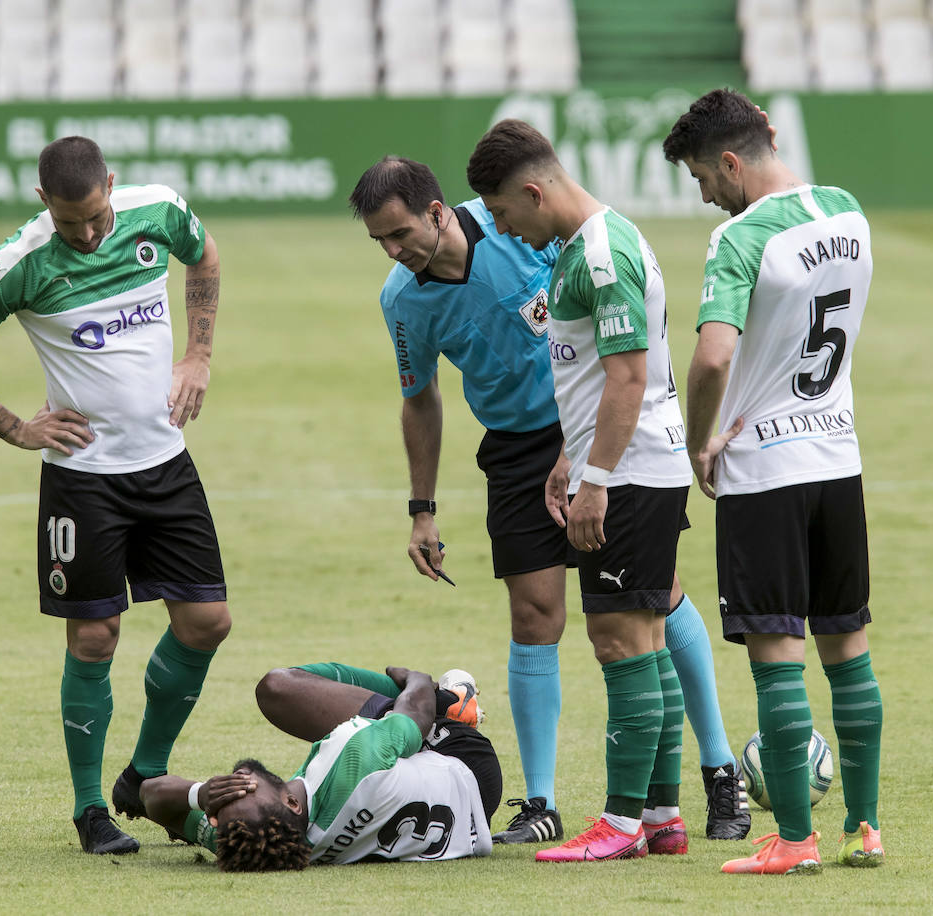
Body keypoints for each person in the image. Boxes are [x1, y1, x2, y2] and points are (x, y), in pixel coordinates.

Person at [348, 156, 750, 844]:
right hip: (512, 449)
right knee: (535, 614)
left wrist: (579, 447)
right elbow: (420, 400)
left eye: (400, 232)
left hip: (595, 426)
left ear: (438, 211)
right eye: (380, 241)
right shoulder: (402, 300)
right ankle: (541, 803)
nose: (393, 250)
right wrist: (423, 507)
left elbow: (607, 331)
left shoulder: (518, 230)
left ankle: (718, 768)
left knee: (657, 598)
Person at [0, 136, 231, 855]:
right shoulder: (19, 264)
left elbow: (206, 256)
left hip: (165, 464)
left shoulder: (157, 212)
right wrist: (16, 429)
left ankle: (143, 774)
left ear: (112, 187)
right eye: (70, 223)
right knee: (95, 635)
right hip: (84, 481)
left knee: (207, 623)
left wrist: (200, 354)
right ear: (43, 205)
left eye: (95, 218)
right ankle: (92, 808)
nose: (87, 234)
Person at [663, 88, 885, 875]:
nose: (703, 195)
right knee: (849, 648)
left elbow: (715, 355)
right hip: (839, 456)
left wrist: (699, 444)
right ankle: (865, 826)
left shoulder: (738, 238)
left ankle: (794, 839)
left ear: (730, 161)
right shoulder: (847, 210)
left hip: (766, 470)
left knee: (777, 654)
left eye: (701, 177)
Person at [466, 119, 697, 863]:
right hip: (632, 463)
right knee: (649, 641)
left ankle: (620, 822)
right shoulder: (592, 243)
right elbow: (598, 374)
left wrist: (595, 480)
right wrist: (572, 454)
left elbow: (630, 374)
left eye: (503, 213)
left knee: (618, 643)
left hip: (630, 475)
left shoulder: (599, 255)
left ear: (534, 191)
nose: (503, 229)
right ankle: (661, 815)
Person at [137, 663, 501, 869]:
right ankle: (454, 700)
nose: (236, 779)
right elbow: (416, 714)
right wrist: (417, 680)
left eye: (222, 797)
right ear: (291, 803)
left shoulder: (259, 840)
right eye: (244, 788)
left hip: (466, 820)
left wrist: (200, 794)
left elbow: (150, 796)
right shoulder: (353, 759)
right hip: (465, 761)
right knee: (278, 687)